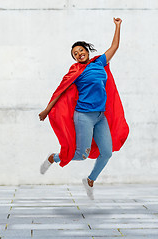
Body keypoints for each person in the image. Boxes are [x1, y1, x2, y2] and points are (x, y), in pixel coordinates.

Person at [39, 18, 129, 200]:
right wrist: (47, 110)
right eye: (75, 53)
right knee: (79, 155)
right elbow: (60, 90)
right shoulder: (75, 72)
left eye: (80, 50)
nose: (78, 54)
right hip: (83, 116)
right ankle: (54, 158)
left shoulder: (99, 63)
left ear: (87, 51)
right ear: (74, 58)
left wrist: (118, 26)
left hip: (100, 117)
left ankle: (89, 180)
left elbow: (115, 46)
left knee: (107, 153)